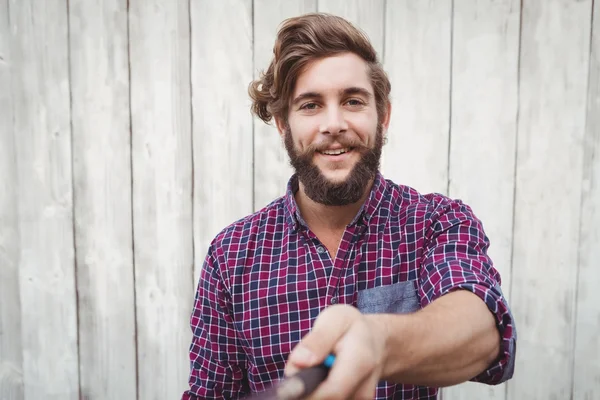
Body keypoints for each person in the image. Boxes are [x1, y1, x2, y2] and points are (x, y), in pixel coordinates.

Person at [182, 12, 516, 400]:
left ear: (383, 116)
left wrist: (378, 342)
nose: (334, 123)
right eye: (310, 105)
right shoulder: (231, 255)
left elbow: (485, 333)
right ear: (283, 125)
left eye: (353, 101)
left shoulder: (436, 222)